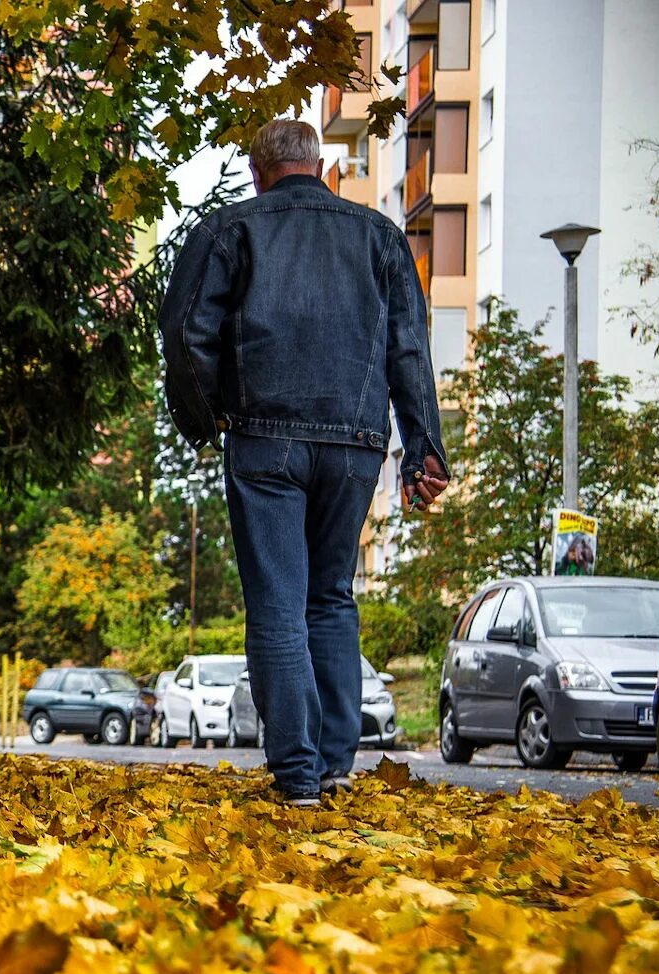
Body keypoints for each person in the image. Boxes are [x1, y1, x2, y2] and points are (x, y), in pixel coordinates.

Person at [158, 119, 449, 806]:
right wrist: (421, 453)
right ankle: (335, 765)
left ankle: (296, 776)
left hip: (265, 438)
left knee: (279, 605)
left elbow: (185, 330)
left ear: (258, 171)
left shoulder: (230, 230)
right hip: (355, 444)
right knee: (331, 599)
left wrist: (208, 417)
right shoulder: (381, 236)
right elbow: (409, 347)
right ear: (319, 166)